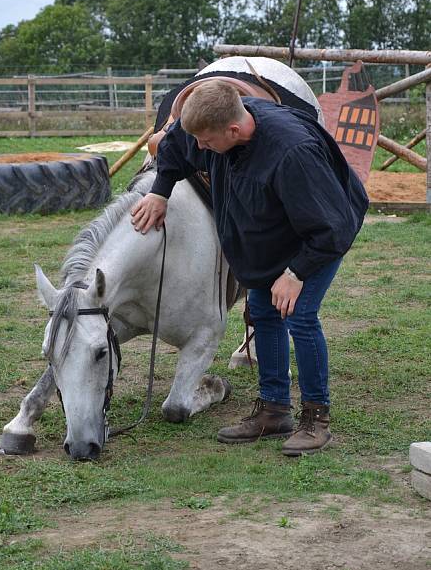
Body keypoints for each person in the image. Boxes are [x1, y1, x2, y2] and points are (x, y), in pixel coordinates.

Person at [131, 79, 368, 456]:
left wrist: (296, 274)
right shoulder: (212, 128)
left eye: (207, 143)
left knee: (300, 315)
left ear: (234, 130)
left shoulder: (293, 153)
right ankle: (274, 411)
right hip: (273, 234)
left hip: (319, 235)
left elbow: (330, 228)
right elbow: (177, 144)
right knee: (261, 311)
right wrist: (160, 191)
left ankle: (315, 419)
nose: (202, 150)